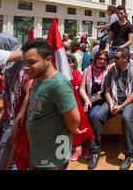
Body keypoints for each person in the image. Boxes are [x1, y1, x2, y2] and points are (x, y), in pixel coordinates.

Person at [21, 38, 85, 170]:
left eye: (32, 63)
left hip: (52, 159)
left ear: (48, 60)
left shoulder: (58, 85)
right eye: (24, 63)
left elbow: (73, 119)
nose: (26, 68)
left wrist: (72, 129)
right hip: (38, 152)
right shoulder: (39, 79)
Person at [88, 48, 133, 170]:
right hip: (114, 100)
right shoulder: (111, 70)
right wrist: (111, 104)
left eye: (116, 58)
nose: (113, 60)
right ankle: (95, 152)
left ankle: (129, 155)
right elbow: (106, 90)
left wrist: (121, 107)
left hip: (129, 101)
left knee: (126, 118)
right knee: (96, 117)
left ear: (125, 59)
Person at [0, 33, 24, 170]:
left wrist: (17, 118)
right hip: (8, 116)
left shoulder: (20, 67)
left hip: (15, 119)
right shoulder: (9, 67)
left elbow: (25, 94)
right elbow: (9, 96)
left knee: (6, 160)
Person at [78, 50, 109, 161]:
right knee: (82, 116)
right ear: (95, 59)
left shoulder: (107, 71)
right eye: (100, 58)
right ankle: (80, 145)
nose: (102, 61)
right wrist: (86, 100)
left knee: (92, 117)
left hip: (98, 101)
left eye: (104, 59)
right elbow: (81, 89)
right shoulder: (88, 70)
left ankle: (92, 147)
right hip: (88, 99)